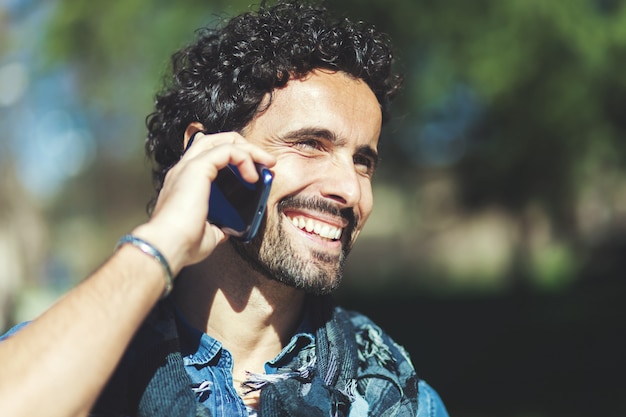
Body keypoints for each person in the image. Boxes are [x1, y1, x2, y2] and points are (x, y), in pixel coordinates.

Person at [0, 1, 449, 416]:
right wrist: (160, 245)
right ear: (205, 153)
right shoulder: (77, 358)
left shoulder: (397, 395)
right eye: (311, 144)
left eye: (363, 161)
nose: (350, 189)